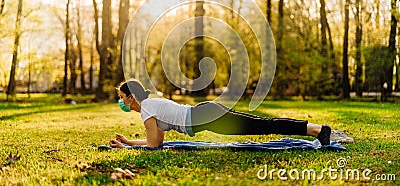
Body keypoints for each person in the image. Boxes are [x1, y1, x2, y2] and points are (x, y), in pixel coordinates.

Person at [109, 79, 332, 148]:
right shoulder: (151, 105)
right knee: (261, 124)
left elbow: (153, 147)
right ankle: (315, 129)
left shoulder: (147, 108)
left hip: (205, 117)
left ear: (132, 98)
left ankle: (317, 130)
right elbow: (156, 141)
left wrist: (128, 146)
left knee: (262, 125)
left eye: (122, 97)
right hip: (205, 114)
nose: (121, 101)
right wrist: (129, 142)